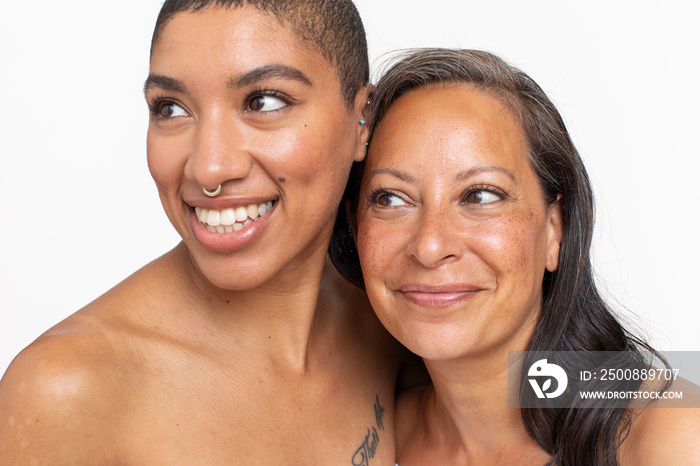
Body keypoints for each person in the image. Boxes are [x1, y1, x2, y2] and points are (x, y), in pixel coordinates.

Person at [0, 1, 403, 463]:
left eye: (263, 102)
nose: (209, 168)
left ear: (362, 119)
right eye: (171, 108)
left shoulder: (392, 324)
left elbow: (503, 409)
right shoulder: (65, 389)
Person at [331, 48, 700, 465]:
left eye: (481, 195)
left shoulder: (674, 436)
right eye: (391, 199)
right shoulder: (362, 440)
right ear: (354, 226)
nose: (430, 246)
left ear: (554, 228)